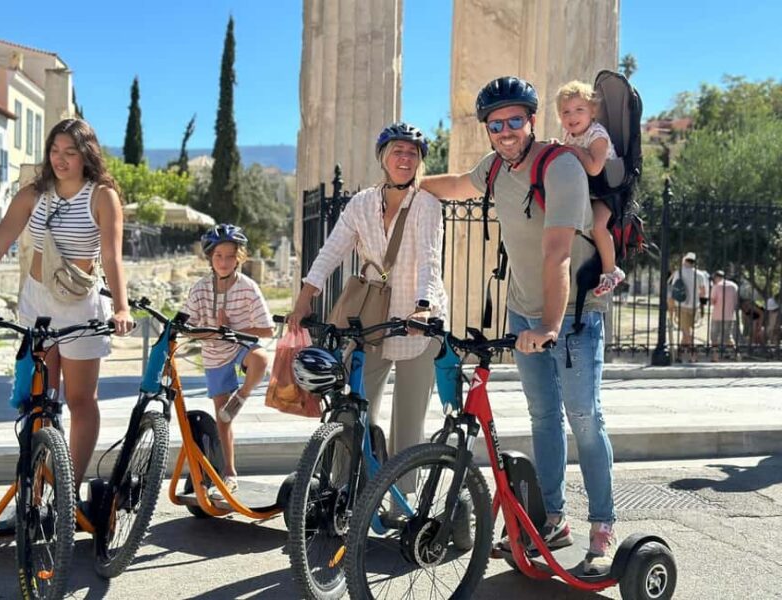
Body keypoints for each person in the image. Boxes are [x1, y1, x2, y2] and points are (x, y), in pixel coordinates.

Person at [419, 76, 616, 575]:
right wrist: (409, 184)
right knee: (543, 418)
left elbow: (557, 255)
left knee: (584, 419)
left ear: (531, 121)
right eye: (495, 123)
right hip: (523, 311)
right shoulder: (493, 169)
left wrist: (550, 325)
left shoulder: (561, 165)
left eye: (514, 120)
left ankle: (602, 528)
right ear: (487, 129)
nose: (505, 131)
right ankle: (552, 520)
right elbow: (457, 184)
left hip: (573, 316)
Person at [288, 122, 448, 494]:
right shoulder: (361, 203)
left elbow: (429, 259)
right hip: (372, 318)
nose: (404, 158)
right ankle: (344, 492)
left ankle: (403, 506)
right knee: (351, 409)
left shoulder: (426, 204)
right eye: (397, 151)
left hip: (417, 324)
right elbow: (332, 249)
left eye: (412, 152)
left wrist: (423, 307)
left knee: (408, 423)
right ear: (383, 158)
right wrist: (304, 298)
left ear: (419, 160)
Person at [0, 118, 133, 491]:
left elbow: (113, 258)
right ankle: (36, 488)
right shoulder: (33, 194)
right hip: (38, 303)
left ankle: (68, 489)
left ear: (86, 155)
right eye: (54, 151)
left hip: (81, 305)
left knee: (81, 399)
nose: (60, 160)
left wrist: (122, 307)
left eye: (70, 152)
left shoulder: (101, 196)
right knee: (39, 399)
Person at [183, 223, 273, 499]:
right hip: (213, 353)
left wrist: (232, 330)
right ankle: (230, 473)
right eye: (218, 255)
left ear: (239, 258)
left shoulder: (248, 287)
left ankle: (242, 396)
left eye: (230, 256)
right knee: (222, 420)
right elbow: (187, 325)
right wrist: (211, 332)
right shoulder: (200, 289)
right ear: (210, 257)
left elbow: (268, 330)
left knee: (260, 359)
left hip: (240, 345)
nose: (224, 261)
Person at [555, 80, 624, 297]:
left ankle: (612, 271)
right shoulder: (570, 136)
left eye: (579, 110)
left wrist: (574, 150)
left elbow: (594, 168)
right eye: (565, 112)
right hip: (590, 191)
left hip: (609, 191)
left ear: (592, 112)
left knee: (598, 226)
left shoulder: (597, 135)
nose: (571, 116)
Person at [668, 252, 708, 349]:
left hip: (682, 305)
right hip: (695, 305)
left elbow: (674, 289)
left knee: (686, 330)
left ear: (685, 261)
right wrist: (702, 307)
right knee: (687, 328)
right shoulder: (700, 274)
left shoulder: (679, 273)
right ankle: (680, 352)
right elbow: (703, 292)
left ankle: (693, 353)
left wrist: (671, 308)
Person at [709, 270, 739, 356]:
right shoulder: (734, 286)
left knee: (714, 336)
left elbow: (712, 301)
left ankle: (715, 356)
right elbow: (736, 301)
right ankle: (735, 353)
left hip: (717, 315)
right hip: (730, 316)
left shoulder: (716, 286)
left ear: (716, 277)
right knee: (728, 336)